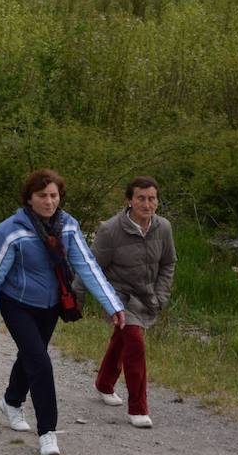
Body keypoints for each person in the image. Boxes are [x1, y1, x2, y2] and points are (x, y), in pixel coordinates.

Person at [0, 169, 125, 455]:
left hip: (52, 305)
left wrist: (113, 304)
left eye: (53, 195)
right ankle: (48, 434)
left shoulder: (68, 226)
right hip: (16, 304)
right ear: (29, 199)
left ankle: (10, 401)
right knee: (41, 363)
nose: (48, 201)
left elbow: (88, 267)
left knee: (32, 357)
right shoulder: (11, 229)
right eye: (42, 196)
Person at [74, 176, 177, 430]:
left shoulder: (163, 227)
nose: (147, 203)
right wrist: (76, 298)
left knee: (122, 340)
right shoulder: (111, 230)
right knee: (134, 342)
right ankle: (138, 408)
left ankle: (104, 383)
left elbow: (168, 263)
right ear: (129, 200)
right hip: (118, 298)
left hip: (148, 297)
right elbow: (92, 266)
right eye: (140, 198)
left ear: (157, 201)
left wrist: (161, 295)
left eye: (152, 198)